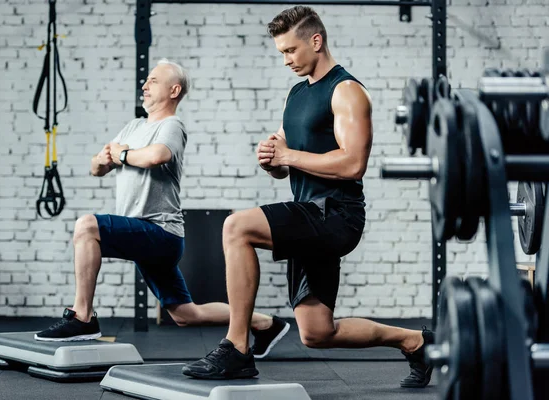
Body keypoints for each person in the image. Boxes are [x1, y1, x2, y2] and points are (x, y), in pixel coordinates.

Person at [182, 6, 434, 388]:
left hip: (336, 214)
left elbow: (352, 164)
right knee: (317, 332)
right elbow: (288, 161)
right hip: (308, 213)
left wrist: (288, 155)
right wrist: (273, 160)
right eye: (281, 52)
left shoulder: (347, 91)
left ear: (316, 41)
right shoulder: (297, 93)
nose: (286, 60)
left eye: (291, 50)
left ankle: (237, 349)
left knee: (236, 226)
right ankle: (415, 341)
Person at [35, 59, 290, 360]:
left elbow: (157, 155)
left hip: (160, 232)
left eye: (153, 80)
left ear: (174, 90)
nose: (144, 85)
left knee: (87, 227)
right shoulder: (133, 126)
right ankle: (265, 323)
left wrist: (122, 153)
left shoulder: (172, 125)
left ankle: (83, 317)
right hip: (143, 234)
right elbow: (97, 165)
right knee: (185, 314)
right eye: (146, 80)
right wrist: (103, 161)